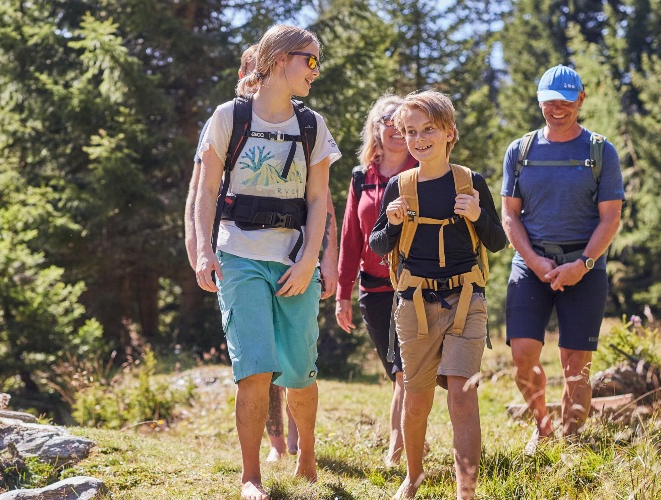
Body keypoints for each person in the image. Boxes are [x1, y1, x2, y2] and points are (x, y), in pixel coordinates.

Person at [193, 25, 341, 500]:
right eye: (309, 60)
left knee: (300, 371)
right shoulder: (228, 117)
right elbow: (206, 190)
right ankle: (251, 478)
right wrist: (204, 250)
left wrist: (310, 261)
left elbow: (318, 200)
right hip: (239, 256)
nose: (316, 70)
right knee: (253, 368)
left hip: (294, 261)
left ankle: (307, 457)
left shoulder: (313, 126)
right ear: (279, 60)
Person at [369, 90, 506, 499]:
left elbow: (497, 241)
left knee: (462, 394)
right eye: (411, 131)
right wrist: (392, 223)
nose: (419, 138)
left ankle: (467, 491)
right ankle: (413, 476)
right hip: (414, 304)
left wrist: (477, 215)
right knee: (416, 401)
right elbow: (377, 245)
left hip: (466, 301)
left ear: (449, 132)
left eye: (428, 129)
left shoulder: (470, 182)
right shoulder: (400, 186)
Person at [500, 65, 623, 450]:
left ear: (580, 100)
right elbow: (509, 215)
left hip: (584, 267)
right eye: (549, 102)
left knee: (576, 366)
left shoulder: (600, 151)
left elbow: (611, 217)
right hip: (530, 265)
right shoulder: (520, 151)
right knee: (522, 355)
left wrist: (582, 264)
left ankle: (571, 443)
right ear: (539, 102)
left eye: (566, 102)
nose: (557, 109)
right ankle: (543, 426)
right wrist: (534, 261)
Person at [334, 93, 417, 467]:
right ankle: (414, 439)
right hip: (374, 290)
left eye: (401, 121)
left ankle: (397, 451)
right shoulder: (361, 178)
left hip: (415, 286)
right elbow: (351, 238)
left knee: (404, 372)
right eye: (388, 120)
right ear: (375, 128)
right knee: (395, 370)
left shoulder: (423, 170)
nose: (395, 128)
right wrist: (343, 293)